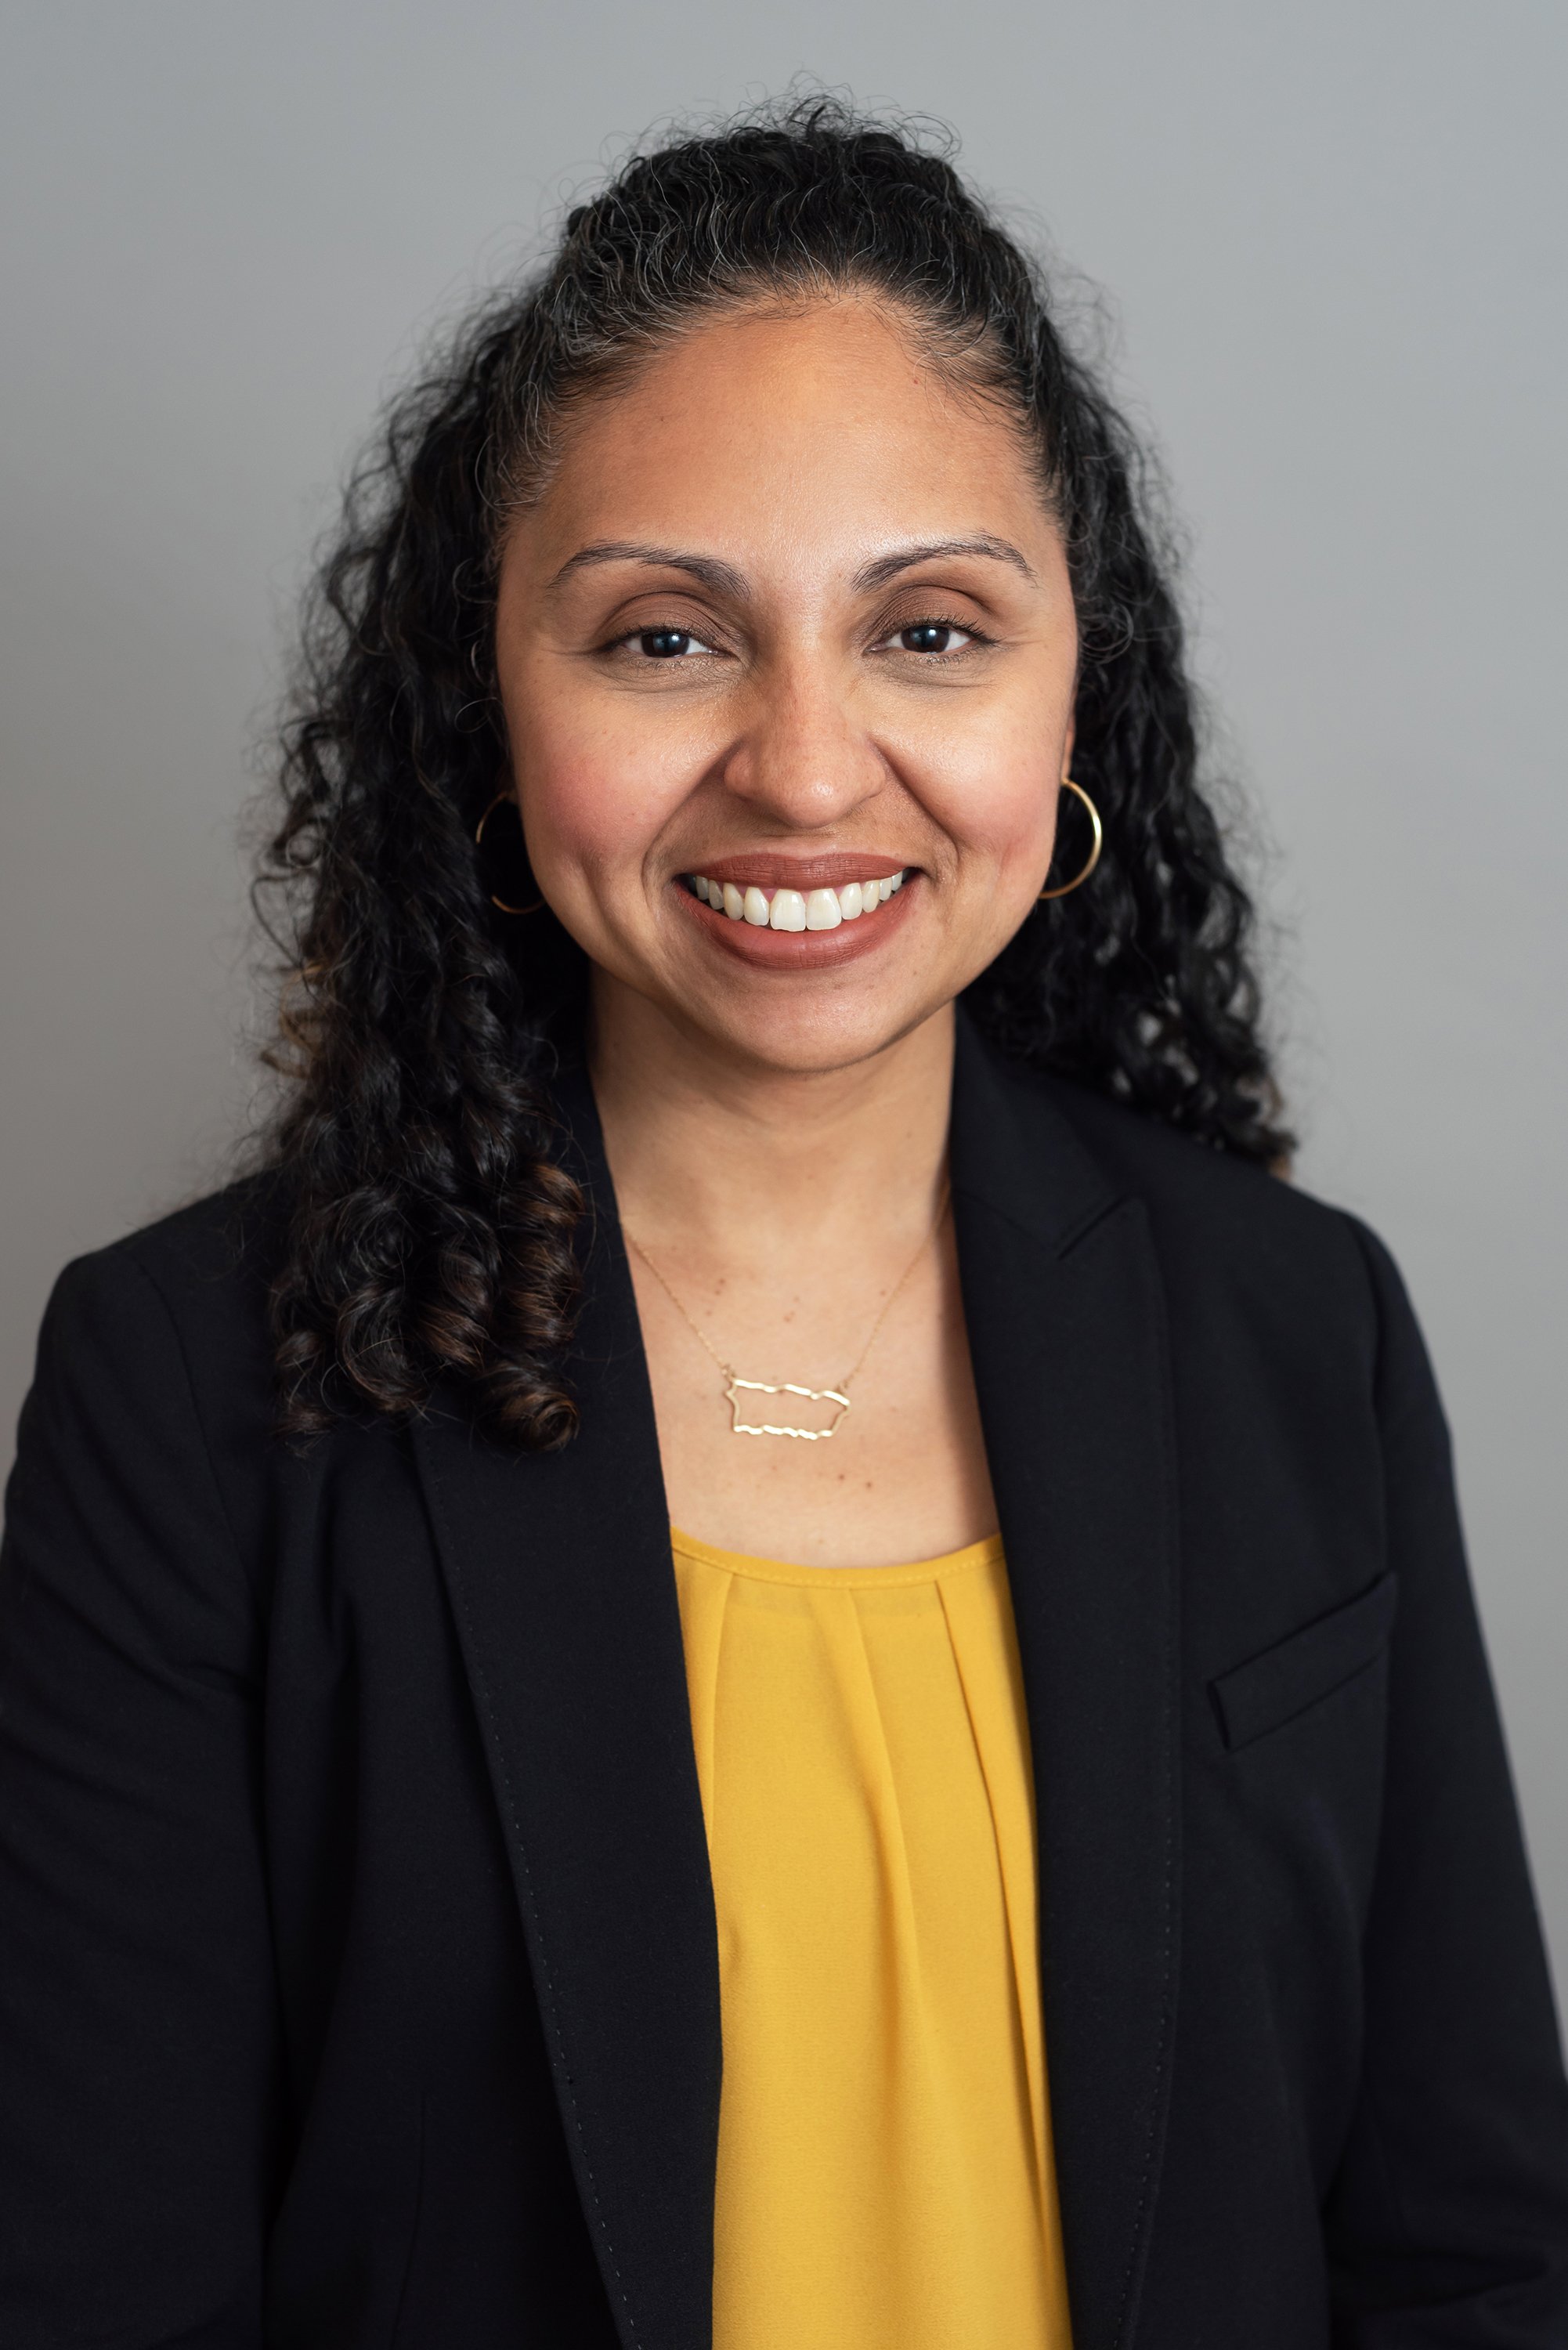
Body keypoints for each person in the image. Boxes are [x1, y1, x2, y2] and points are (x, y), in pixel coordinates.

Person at [2, 97, 1565, 2350]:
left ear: (1068, 690)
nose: (810, 770)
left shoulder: (1294, 1330)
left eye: (927, 630)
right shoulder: (192, 1392)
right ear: (487, 709)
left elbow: (1474, 2253)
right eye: (664, 641)